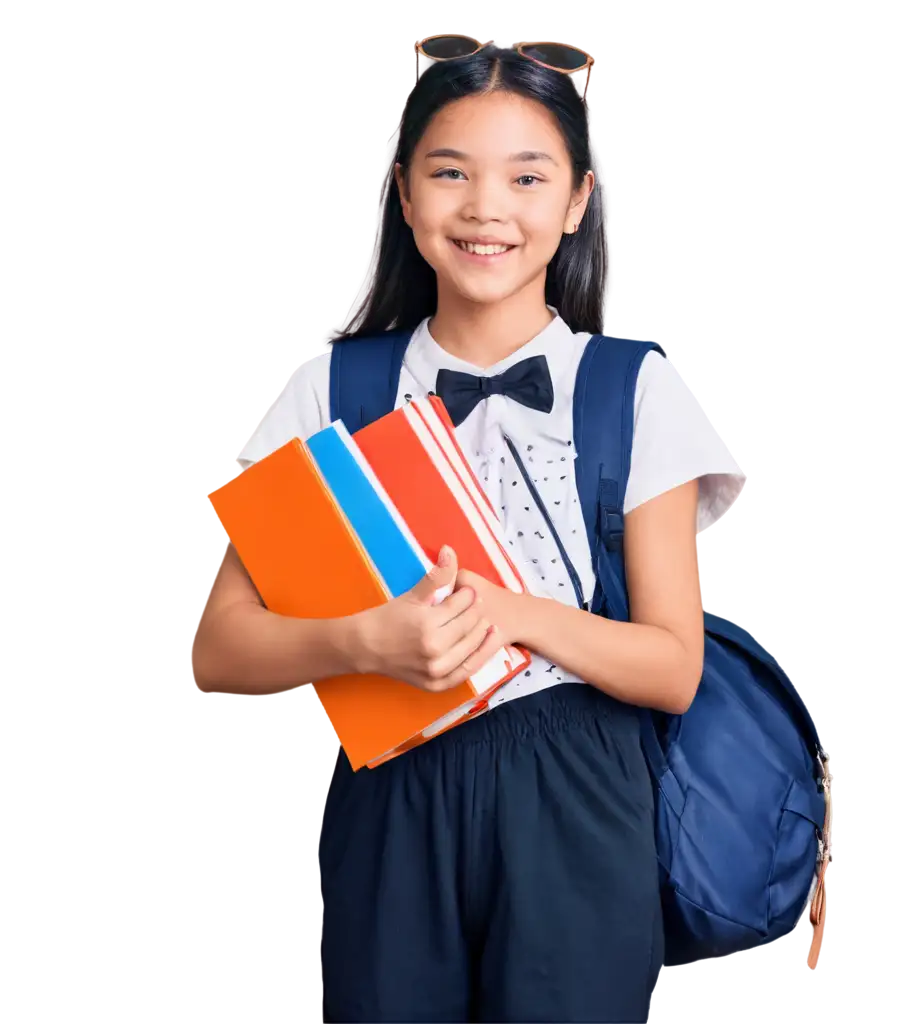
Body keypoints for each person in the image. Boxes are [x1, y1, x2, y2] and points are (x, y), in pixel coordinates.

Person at [186, 35, 745, 1024]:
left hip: (578, 793)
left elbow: (672, 666)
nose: (486, 208)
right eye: (451, 173)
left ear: (575, 202)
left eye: (526, 177)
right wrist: (365, 641)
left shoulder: (632, 390)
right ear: (404, 195)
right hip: (393, 788)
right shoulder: (331, 388)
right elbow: (216, 647)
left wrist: (508, 612)